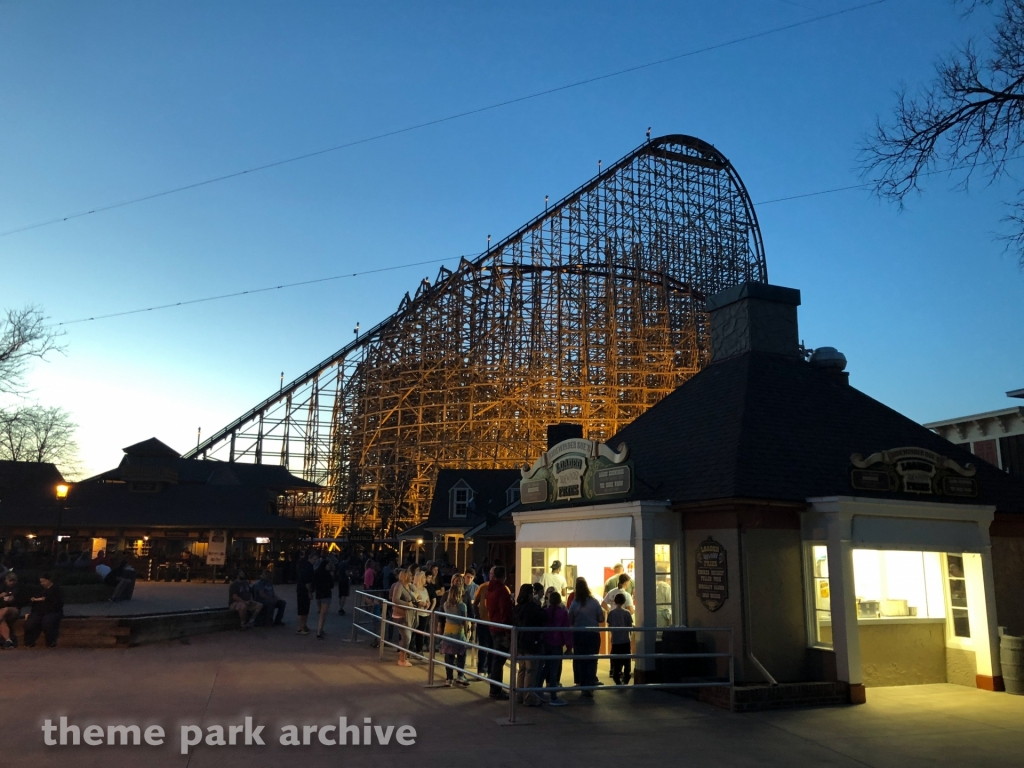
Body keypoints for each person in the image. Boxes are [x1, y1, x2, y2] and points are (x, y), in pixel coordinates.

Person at [568, 577, 604, 696]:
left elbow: (570, 619)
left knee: (581, 660)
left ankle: (583, 685)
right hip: (593, 634)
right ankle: (590, 685)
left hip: (579, 634)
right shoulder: (594, 602)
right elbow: (601, 618)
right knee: (592, 660)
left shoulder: (574, 603)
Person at [512, 583, 547, 706]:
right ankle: (529, 697)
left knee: (521, 669)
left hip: (519, 642)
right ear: (529, 594)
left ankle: (519, 695)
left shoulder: (517, 608)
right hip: (531, 642)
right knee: (531, 670)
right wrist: (540, 606)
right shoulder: (532, 608)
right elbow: (543, 617)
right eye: (532, 593)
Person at [485, 565, 514, 700]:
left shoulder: (490, 589)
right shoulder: (502, 590)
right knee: (499, 658)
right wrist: (508, 627)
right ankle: (496, 689)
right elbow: (505, 611)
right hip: (502, 628)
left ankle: (495, 687)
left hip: (494, 626)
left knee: (497, 657)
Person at [542, 591, 571, 705]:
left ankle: (538, 689)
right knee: (554, 670)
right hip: (557, 643)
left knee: (546, 667)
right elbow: (566, 631)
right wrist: (569, 646)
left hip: (546, 643)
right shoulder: (563, 613)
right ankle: (553, 696)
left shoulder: (545, 612)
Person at [440, 578, 470, 687]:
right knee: (461, 654)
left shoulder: (445, 605)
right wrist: (467, 633)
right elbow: (465, 621)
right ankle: (460, 675)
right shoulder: (462, 606)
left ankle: (449, 678)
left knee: (449, 656)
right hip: (459, 632)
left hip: (448, 632)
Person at [24, 574, 64, 648]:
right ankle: (29, 642)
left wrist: (45, 599)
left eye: (43, 581)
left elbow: (58, 603)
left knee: (47, 622)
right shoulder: (40, 589)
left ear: (49, 580)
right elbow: (32, 602)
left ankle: (50, 642)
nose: (42, 583)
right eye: (41, 582)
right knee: (30, 622)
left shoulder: (56, 589)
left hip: (53, 611)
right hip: (38, 612)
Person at [389, 569, 416, 667]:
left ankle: (403, 656)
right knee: (407, 637)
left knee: (406, 636)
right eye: (410, 575)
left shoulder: (408, 586)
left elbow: (414, 593)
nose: (412, 577)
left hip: (407, 615)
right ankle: (402, 659)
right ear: (405, 576)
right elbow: (395, 599)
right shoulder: (399, 586)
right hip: (400, 614)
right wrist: (407, 604)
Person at [607, 592, 634, 685]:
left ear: (614, 601)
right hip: (625, 639)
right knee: (627, 660)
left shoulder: (611, 613)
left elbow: (609, 625)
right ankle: (626, 677)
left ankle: (616, 676)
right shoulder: (627, 613)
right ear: (624, 602)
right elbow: (630, 626)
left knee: (616, 660)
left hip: (615, 640)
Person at [0, 572, 30, 649]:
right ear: (6, 581)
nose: (12, 582)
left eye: (13, 580)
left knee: (5, 610)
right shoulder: (2, 587)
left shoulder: (20, 588)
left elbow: (25, 601)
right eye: (10, 580)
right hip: (2, 610)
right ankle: (8, 641)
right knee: (1, 620)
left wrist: (13, 599)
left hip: (15, 609)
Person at [473, 570, 493, 675]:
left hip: (494, 624)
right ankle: (481, 669)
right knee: (483, 647)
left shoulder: (504, 588)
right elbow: (475, 603)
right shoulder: (483, 587)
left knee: (492, 648)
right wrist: (477, 616)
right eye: (491, 574)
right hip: (483, 622)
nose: (492, 576)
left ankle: (490, 670)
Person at [409, 569, 431, 657]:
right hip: (416, 613)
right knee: (413, 632)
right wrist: (420, 603)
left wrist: (428, 604)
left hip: (424, 613)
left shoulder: (425, 589)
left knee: (421, 633)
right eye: (424, 577)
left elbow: (428, 599)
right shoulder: (414, 588)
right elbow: (413, 599)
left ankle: (419, 650)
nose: (425, 579)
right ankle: (409, 650)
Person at [312, 557, 334, 639]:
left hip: (319, 594)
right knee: (323, 614)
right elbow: (331, 585)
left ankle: (320, 629)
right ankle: (319, 631)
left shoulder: (317, 572)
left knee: (321, 612)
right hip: (326, 594)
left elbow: (314, 583)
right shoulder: (327, 574)